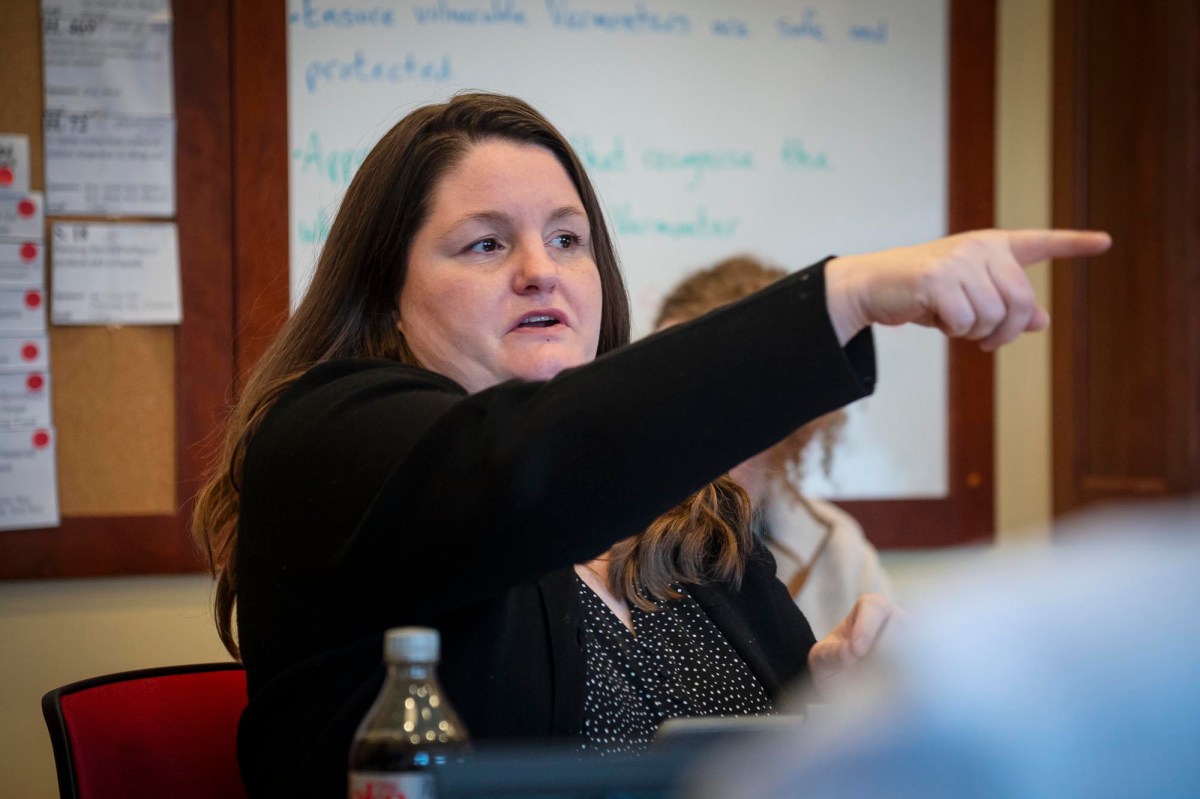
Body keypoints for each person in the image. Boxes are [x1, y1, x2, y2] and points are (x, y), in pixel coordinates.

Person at [190, 92, 1110, 797]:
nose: (540, 269)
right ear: (384, 291)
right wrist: (845, 295)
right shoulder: (328, 440)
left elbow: (764, 756)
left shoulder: (691, 508)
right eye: (482, 245)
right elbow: (520, 475)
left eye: (568, 237)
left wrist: (832, 698)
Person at [655, 257, 897, 639]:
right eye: (669, 396)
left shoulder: (838, 550)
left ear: (792, 428)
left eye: (724, 405)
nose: (689, 435)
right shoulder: (606, 545)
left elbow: (891, 687)